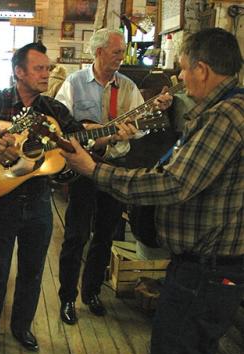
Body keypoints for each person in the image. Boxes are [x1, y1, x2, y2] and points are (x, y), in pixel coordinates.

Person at [61, 28, 243, 354]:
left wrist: (96, 171)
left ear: (202, 68)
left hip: (206, 266)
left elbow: (174, 184)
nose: (182, 77)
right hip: (206, 263)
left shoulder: (226, 117)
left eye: (184, 69)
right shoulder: (224, 111)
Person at [0, 42, 87, 354]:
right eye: (39, 68)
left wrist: (107, 135)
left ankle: (21, 328)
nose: (46, 74)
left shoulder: (53, 110)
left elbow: (79, 136)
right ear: (19, 72)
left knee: (33, 272)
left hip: (39, 202)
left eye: (47, 68)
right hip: (1, 201)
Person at [56, 28, 172, 325]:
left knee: (105, 236)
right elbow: (61, 126)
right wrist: (93, 137)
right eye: (116, 52)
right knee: (76, 235)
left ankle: (92, 292)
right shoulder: (74, 83)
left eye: (122, 52)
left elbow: (143, 125)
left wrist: (133, 131)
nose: (121, 58)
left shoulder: (129, 87)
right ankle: (67, 297)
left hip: (115, 169)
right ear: (98, 52)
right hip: (82, 168)